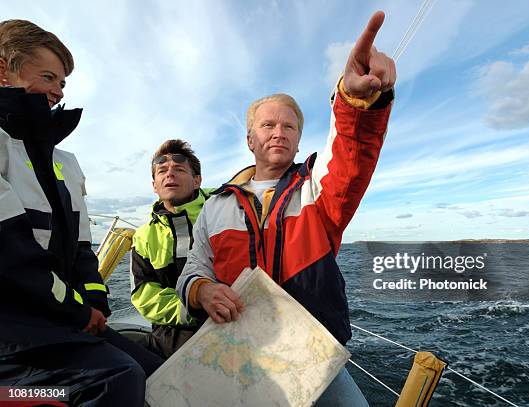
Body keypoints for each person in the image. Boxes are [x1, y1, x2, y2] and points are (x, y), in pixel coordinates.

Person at [177, 11, 395, 406]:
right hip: (236, 350)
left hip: (311, 354)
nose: (278, 132)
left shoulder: (317, 191)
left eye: (289, 127)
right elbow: (194, 269)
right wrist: (202, 290)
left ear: (298, 142)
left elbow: (353, 154)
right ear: (249, 139)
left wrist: (358, 103)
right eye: (267, 125)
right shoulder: (215, 206)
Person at [0, 19, 163, 405]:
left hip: (57, 323)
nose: (58, 92)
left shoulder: (66, 163)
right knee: (117, 377)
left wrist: (97, 305)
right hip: (13, 335)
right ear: (3, 70)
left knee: (158, 372)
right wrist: (78, 311)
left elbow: (83, 252)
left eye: (62, 83)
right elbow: (12, 255)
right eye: (48, 77)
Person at [131, 139, 215, 358]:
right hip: (171, 338)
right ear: (154, 185)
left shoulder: (225, 209)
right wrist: (193, 308)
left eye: (179, 169)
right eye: (162, 171)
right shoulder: (142, 237)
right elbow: (143, 294)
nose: (169, 174)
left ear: (197, 181)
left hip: (232, 323)